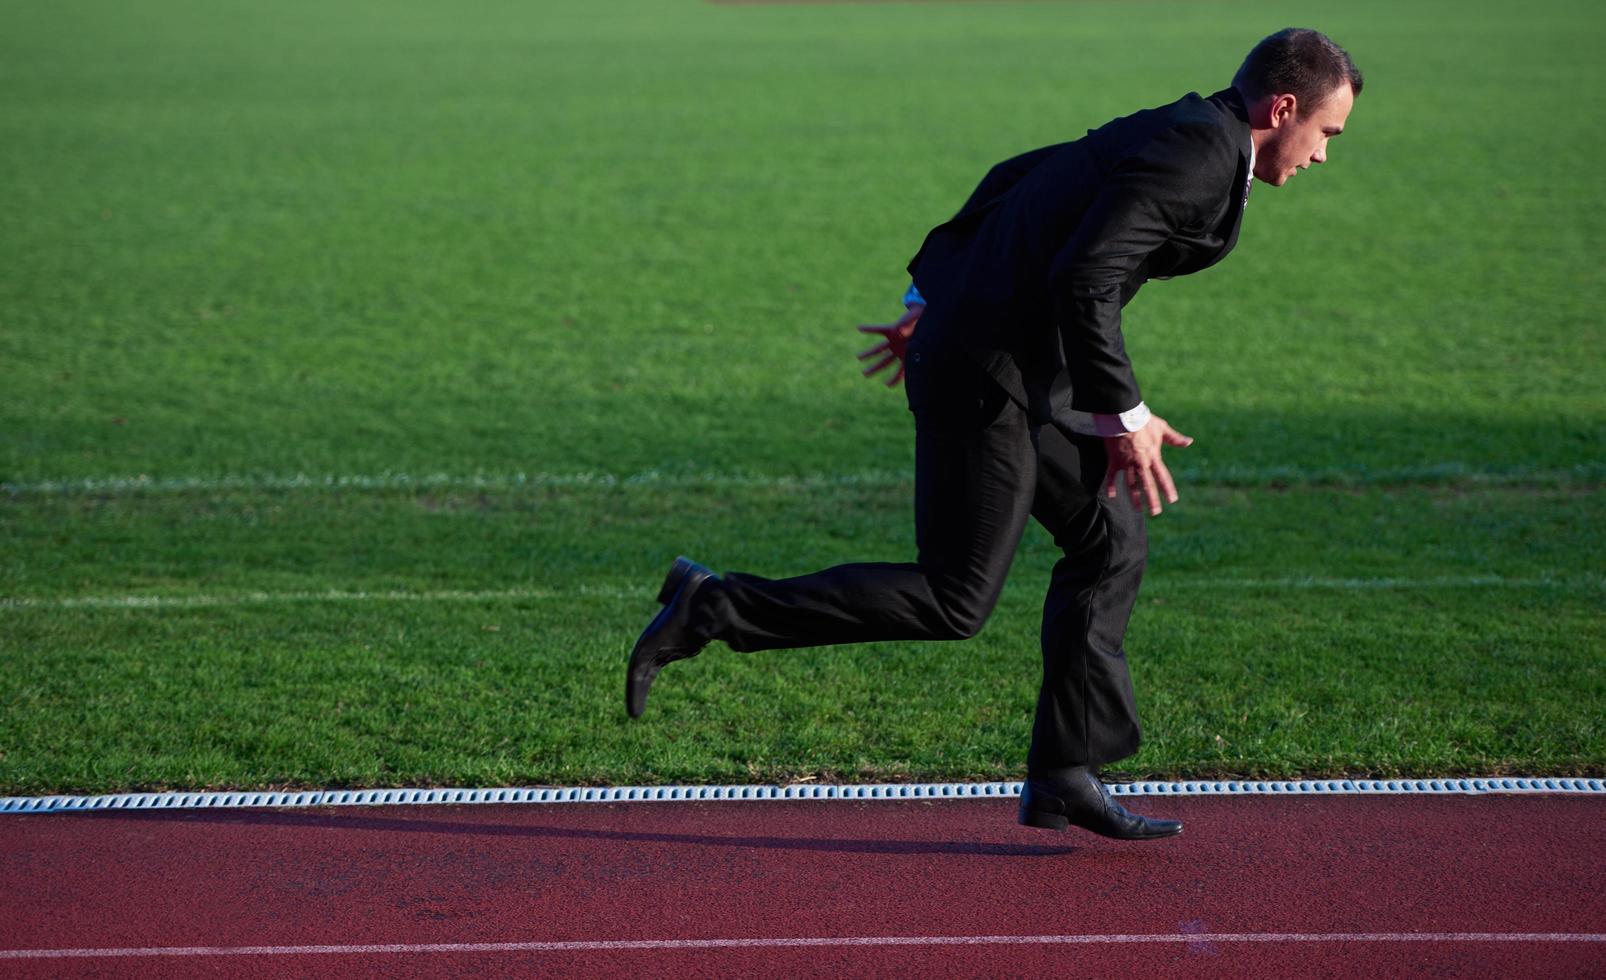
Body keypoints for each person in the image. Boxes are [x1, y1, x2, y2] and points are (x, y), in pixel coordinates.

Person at [626, 28, 1362, 840]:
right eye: (1328, 133)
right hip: (986, 375)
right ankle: (713, 606)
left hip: (1002, 362)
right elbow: (1086, 278)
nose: (1325, 155)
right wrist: (1125, 415)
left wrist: (927, 304)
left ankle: (1062, 773)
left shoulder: (1191, 130)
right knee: (954, 598)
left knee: (1109, 539)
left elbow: (1019, 175)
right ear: (1283, 107)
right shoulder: (1198, 151)